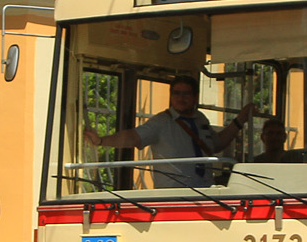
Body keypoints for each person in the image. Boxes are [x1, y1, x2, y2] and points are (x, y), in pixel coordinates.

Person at [83, 76, 253, 188]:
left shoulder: (201, 119)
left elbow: (217, 144)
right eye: (176, 93)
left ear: (195, 97)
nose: (181, 98)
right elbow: (133, 137)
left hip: (206, 194)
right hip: (174, 197)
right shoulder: (161, 122)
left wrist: (239, 121)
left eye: (186, 94)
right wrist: (101, 141)